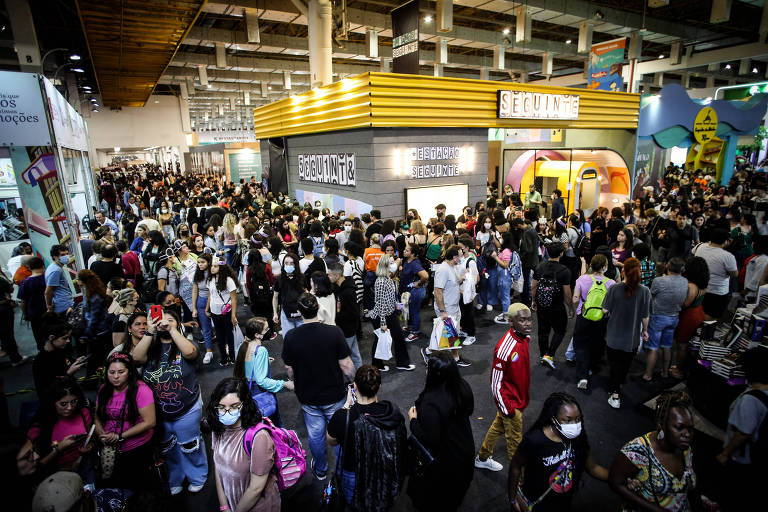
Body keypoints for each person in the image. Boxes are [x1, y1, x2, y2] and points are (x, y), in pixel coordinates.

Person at [281, 293, 355, 481]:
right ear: (318, 308)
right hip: (335, 393)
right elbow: (346, 365)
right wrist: (353, 382)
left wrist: (296, 381)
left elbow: (289, 368)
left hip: (308, 395)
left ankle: (321, 469)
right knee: (338, 430)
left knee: (315, 434)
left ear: (299, 312)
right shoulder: (334, 332)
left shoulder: (291, 337)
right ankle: (342, 468)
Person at [133, 310, 207, 495]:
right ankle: (176, 477)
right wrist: (150, 331)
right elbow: (135, 359)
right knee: (168, 448)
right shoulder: (150, 346)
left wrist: (172, 329)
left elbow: (190, 353)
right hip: (159, 411)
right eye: (161, 319)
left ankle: (197, 475)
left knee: (190, 445)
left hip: (187, 407)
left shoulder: (184, 343)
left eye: (170, 319)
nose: (164, 322)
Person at [508, 392, 609, 512]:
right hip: (535, 504)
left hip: (562, 503)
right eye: (568, 420)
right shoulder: (535, 440)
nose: (575, 425)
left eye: (578, 419)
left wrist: (619, 479)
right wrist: (513, 498)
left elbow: (593, 467)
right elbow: (515, 466)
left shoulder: (578, 439)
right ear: (553, 419)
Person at [326, 365, 407, 510]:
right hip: (382, 469)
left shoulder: (343, 417)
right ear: (379, 387)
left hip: (353, 472)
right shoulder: (391, 412)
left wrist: (346, 406)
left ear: (355, 386)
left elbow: (331, 441)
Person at [609, 390, 699, 512]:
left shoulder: (685, 449)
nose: (687, 434)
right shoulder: (637, 451)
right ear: (661, 425)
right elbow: (616, 483)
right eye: (679, 428)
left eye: (690, 429)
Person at [407, 351, 474, 511]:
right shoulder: (463, 386)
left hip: (445, 464)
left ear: (435, 374)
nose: (426, 371)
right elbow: (469, 410)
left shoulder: (431, 402)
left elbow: (429, 438)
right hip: (465, 452)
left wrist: (413, 421)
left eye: (428, 368)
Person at [208, 377, 281, 512]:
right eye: (222, 407)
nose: (227, 412)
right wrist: (224, 506)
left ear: (245, 405)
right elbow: (217, 466)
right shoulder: (218, 428)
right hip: (231, 502)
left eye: (234, 406)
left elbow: (256, 488)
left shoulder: (259, 438)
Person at [475, 303, 532, 472]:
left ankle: (482, 457)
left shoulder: (524, 338)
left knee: (497, 427)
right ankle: (520, 487)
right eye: (522, 320)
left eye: (529, 319)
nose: (528, 324)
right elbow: (495, 382)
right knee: (516, 447)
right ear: (511, 322)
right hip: (511, 403)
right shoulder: (504, 348)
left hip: (518, 399)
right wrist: (508, 408)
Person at [94, 353, 157, 492]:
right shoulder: (104, 389)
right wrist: (102, 434)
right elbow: (96, 416)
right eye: (112, 372)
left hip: (136, 447)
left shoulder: (141, 390)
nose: (115, 376)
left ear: (129, 372)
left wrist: (120, 436)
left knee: (137, 486)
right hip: (110, 448)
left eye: (121, 372)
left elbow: (150, 422)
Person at [716, 347, 768, 511]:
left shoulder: (750, 401)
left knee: (734, 494)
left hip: (742, 458)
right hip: (758, 456)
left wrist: (725, 453)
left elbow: (743, 432)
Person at [17, 376, 93, 478]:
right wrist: (58, 449)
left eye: (74, 401)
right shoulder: (41, 426)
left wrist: (87, 447)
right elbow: (34, 468)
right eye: (63, 404)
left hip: (82, 466)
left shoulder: (84, 413)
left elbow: (89, 437)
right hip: (55, 473)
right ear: (53, 403)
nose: (70, 407)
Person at [602, 258, 651, 409]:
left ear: (623, 271)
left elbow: (605, 310)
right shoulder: (645, 291)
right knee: (625, 364)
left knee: (614, 364)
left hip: (613, 335)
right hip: (632, 338)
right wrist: (645, 331)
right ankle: (618, 384)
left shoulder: (614, 289)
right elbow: (645, 316)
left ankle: (615, 393)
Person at [233, 317, 294, 426]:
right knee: (271, 424)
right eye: (266, 329)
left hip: (246, 388)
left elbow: (247, 368)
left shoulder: (242, 346)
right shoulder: (261, 351)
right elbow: (261, 381)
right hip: (259, 391)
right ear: (257, 335)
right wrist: (284, 383)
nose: (269, 331)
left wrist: (264, 363)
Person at [571, 254, 615, 390]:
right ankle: (592, 367)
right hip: (601, 318)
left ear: (591, 265)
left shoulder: (582, 279)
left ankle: (582, 376)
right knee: (597, 342)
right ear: (604, 267)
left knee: (581, 344)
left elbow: (575, 299)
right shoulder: (611, 283)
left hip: (583, 315)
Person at [643, 257, 689, 382]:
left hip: (658, 316)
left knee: (653, 348)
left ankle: (648, 374)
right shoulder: (685, 282)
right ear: (682, 269)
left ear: (667, 266)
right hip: (674, 317)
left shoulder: (659, 281)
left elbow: (651, 297)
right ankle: (664, 372)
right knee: (667, 346)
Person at [423, 246, 470, 367]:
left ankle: (452, 356)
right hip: (447, 309)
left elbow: (453, 282)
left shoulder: (452, 267)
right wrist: (443, 311)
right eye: (460, 255)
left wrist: (463, 278)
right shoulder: (443, 269)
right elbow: (438, 291)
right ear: (454, 257)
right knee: (448, 336)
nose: (462, 257)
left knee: (452, 335)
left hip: (453, 307)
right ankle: (431, 352)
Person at [531, 242, 573, 369]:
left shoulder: (540, 267)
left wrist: (534, 301)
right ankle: (549, 355)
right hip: (557, 307)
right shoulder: (564, 271)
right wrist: (570, 307)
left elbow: (533, 287)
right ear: (561, 253)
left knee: (543, 331)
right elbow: (567, 293)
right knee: (560, 330)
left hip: (542, 305)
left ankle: (543, 354)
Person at [369, 254, 414, 371]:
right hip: (381, 316)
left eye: (394, 262)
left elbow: (389, 297)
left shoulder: (388, 279)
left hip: (390, 313)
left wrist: (396, 305)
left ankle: (402, 363)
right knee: (379, 340)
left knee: (398, 338)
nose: (394, 264)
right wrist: (383, 322)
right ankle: (377, 365)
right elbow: (380, 303)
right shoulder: (380, 281)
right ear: (385, 265)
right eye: (391, 263)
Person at [693, 228, 737, 320]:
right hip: (717, 291)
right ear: (725, 241)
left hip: (699, 288)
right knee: (712, 316)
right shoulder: (727, 256)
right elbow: (734, 274)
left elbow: (693, 253)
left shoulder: (700, 246)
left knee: (698, 312)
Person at [328, 263, 363, 369]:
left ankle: (354, 379)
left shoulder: (348, 292)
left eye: (329, 275)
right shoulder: (337, 287)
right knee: (354, 354)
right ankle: (359, 378)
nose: (327, 277)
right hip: (344, 328)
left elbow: (354, 313)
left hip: (347, 329)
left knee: (344, 357)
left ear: (337, 276)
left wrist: (337, 317)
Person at [77, 269, 111, 377]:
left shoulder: (94, 296)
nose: (76, 281)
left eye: (78, 279)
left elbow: (94, 318)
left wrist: (87, 334)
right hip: (99, 331)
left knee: (94, 358)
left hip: (98, 333)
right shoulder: (93, 292)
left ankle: (91, 381)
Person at [206, 257, 239, 366]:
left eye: (215, 266)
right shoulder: (209, 280)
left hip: (227, 312)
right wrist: (207, 308)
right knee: (219, 336)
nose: (212, 268)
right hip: (214, 312)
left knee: (229, 335)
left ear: (221, 267)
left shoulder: (228, 280)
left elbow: (234, 299)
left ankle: (232, 356)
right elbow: (210, 295)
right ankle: (223, 357)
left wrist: (233, 315)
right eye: (212, 266)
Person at [400, 242, 428, 341]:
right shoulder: (407, 260)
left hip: (416, 292)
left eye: (407, 250)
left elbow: (425, 276)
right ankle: (411, 326)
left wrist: (418, 283)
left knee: (414, 312)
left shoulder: (414, 263)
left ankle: (415, 332)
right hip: (409, 291)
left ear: (412, 254)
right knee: (410, 310)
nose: (404, 251)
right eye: (405, 249)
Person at [272, 253, 305, 336]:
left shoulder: (302, 278)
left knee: (302, 338)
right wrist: (275, 313)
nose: (288, 265)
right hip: (286, 313)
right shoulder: (279, 279)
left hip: (301, 313)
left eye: (291, 263)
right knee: (288, 337)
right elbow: (275, 297)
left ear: (296, 264)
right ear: (283, 264)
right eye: (286, 263)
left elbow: (306, 294)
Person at [19, 256, 48, 349]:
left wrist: (25, 314)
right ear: (43, 266)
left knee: (39, 336)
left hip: (34, 313)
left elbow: (23, 301)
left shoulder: (25, 282)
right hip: (49, 311)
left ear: (29, 268)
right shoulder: (47, 278)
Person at [191, 253, 215, 364]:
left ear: (209, 262)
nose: (200, 264)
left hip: (214, 302)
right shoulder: (197, 274)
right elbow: (195, 291)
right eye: (199, 262)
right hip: (201, 302)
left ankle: (226, 347)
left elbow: (212, 291)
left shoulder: (214, 273)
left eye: (203, 262)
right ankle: (208, 350)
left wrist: (207, 307)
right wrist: (194, 308)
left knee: (221, 326)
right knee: (205, 328)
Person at [45, 244, 74, 316]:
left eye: (67, 254)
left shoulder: (54, 267)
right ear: (54, 256)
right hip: (63, 306)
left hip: (64, 303)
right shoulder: (56, 270)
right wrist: (49, 306)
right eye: (62, 255)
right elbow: (48, 291)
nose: (66, 257)